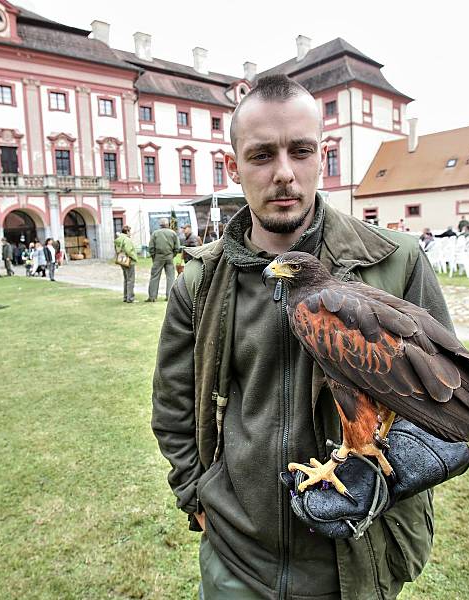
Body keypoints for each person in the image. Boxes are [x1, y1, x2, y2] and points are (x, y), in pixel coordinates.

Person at [151, 75, 452, 600]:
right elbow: (173, 404)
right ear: (233, 166)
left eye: (301, 151)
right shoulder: (198, 282)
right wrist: (194, 492)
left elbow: (440, 404)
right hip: (237, 559)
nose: (284, 173)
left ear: (322, 156)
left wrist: (382, 479)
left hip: (359, 558)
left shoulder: (395, 261)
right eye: (262, 155)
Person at [146, 217, 180, 302]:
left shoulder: (155, 233)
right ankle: (169, 296)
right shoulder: (173, 233)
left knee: (154, 276)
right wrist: (173, 255)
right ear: (167, 224)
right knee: (170, 277)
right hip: (169, 256)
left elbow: (151, 247)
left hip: (158, 257)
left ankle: (152, 297)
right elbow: (177, 247)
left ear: (160, 225)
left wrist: (154, 256)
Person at [114, 225, 138, 302]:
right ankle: (130, 298)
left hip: (122, 260)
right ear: (127, 231)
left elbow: (117, 249)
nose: (130, 233)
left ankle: (125, 297)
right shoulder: (127, 239)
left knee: (126, 279)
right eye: (129, 231)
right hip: (129, 260)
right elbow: (128, 250)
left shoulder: (119, 238)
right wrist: (134, 257)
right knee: (131, 280)